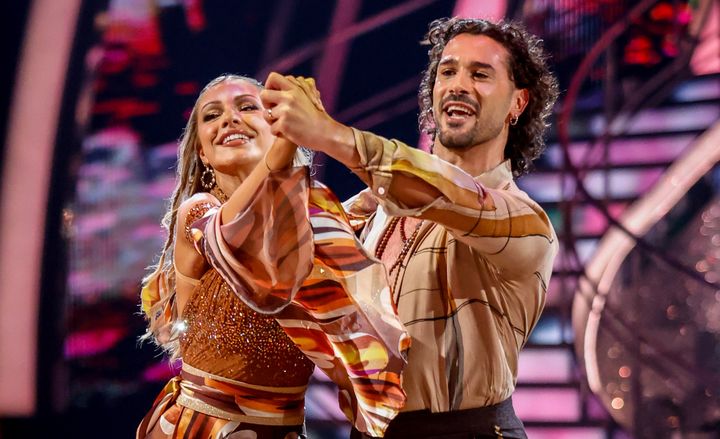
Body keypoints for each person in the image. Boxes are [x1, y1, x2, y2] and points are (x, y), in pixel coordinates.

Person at [260, 17, 560, 438]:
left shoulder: (528, 224)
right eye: (448, 71)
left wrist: (327, 133)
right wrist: (277, 145)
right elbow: (272, 256)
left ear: (518, 103)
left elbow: (447, 195)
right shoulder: (376, 208)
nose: (458, 84)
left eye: (481, 74)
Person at [137, 74, 410, 439]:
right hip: (201, 427)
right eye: (211, 116)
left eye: (247, 107)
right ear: (202, 151)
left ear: (276, 123)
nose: (228, 120)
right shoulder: (199, 212)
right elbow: (234, 240)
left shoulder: (316, 223)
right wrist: (284, 148)